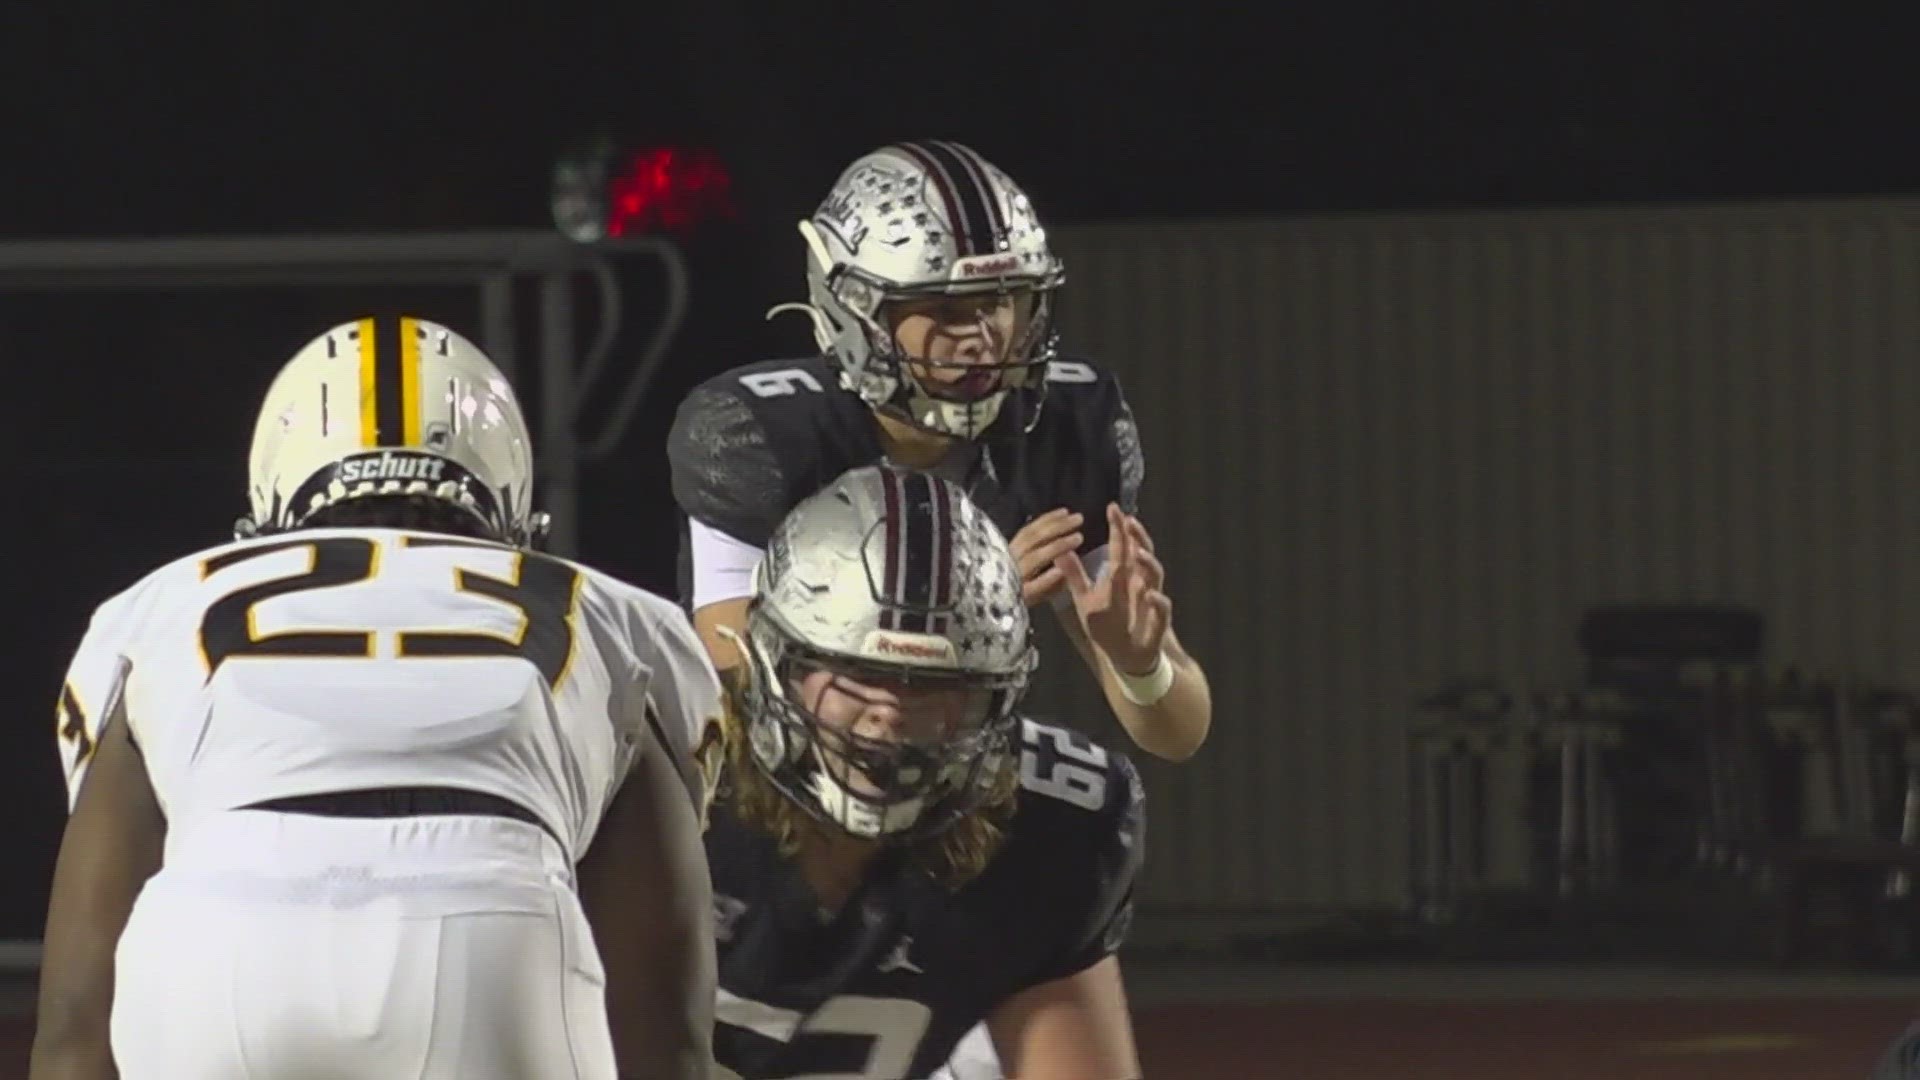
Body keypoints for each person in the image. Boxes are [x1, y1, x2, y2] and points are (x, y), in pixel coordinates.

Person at [32, 317, 719, 1080]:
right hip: (490, 929)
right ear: (513, 506)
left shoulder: (162, 604)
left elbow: (74, 1015)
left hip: (221, 933)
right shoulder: (612, 615)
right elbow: (662, 1011)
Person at [668, 139, 1212, 767]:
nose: (981, 339)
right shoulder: (757, 434)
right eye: (943, 308)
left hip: (948, 778)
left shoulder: (1063, 425)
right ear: (855, 310)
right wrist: (960, 602)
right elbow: (740, 708)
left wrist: (1139, 664)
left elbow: (1178, 731)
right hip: (782, 798)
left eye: (999, 302)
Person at [699, 464, 1144, 1080]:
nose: (889, 715)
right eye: (857, 672)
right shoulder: (672, 765)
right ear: (779, 662)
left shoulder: (1053, 822)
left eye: (929, 684)